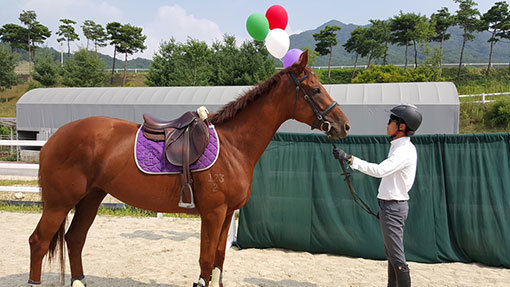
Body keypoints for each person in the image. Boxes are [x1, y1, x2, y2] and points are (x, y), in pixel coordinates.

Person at [333, 104, 422, 287]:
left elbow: (381, 170)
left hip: (393, 208)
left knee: (396, 257)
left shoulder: (404, 150)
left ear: (402, 127)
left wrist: (351, 159)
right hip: (389, 206)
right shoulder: (398, 146)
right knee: (391, 254)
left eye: (392, 120)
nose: (388, 123)